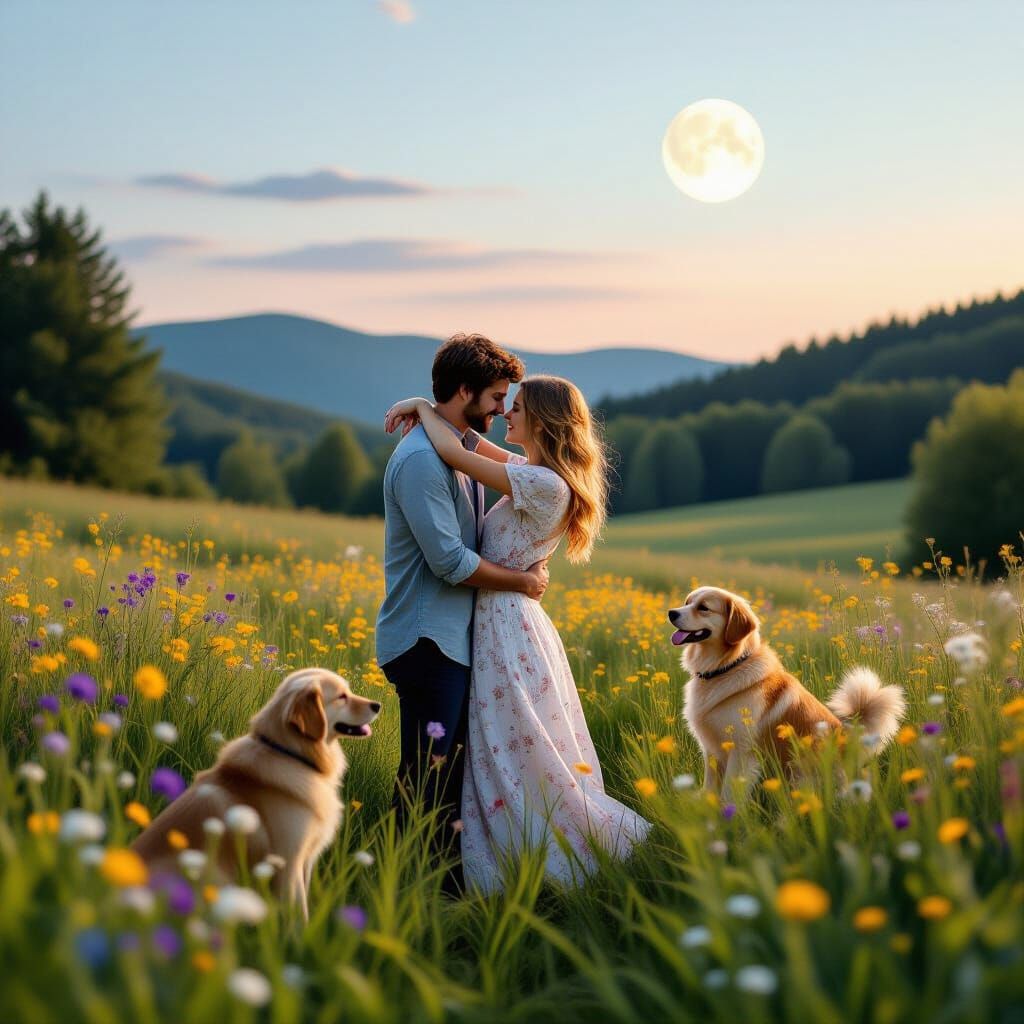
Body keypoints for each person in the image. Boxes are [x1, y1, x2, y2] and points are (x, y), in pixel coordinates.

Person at [385, 375, 650, 893]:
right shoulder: (535, 472)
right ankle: (497, 848)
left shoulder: (545, 484)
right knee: (501, 744)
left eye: (519, 407)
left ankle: (533, 857)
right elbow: (469, 444)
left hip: (507, 624)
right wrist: (439, 412)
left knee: (510, 745)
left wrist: (421, 404)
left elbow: (459, 457)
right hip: (501, 620)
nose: (509, 413)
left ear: (544, 420)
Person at [375, 333, 550, 895]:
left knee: (447, 774)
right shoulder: (423, 461)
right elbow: (450, 562)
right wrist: (523, 581)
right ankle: (419, 892)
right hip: (427, 639)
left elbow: (474, 447)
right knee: (429, 775)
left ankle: (444, 887)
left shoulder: (455, 446)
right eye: (497, 397)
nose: (503, 409)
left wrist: (422, 405)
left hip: (455, 638)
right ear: (466, 390)